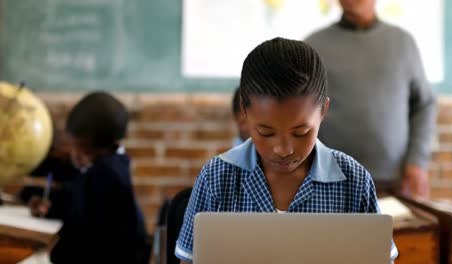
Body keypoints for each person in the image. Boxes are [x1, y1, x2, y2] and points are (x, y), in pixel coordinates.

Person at [175, 37, 398, 264]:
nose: (283, 150)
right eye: (266, 132)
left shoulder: (354, 181)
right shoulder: (216, 178)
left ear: (324, 110)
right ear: (244, 111)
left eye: (301, 133)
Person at [304, 0, 436, 199]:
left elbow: (424, 105)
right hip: (330, 181)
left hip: (394, 182)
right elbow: (300, 112)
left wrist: (417, 161)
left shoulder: (402, 43)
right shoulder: (313, 46)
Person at [30, 92, 148, 264]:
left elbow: (80, 236)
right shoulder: (115, 164)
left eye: (81, 147)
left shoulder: (105, 174)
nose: (75, 154)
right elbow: (75, 201)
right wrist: (51, 206)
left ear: (99, 146)